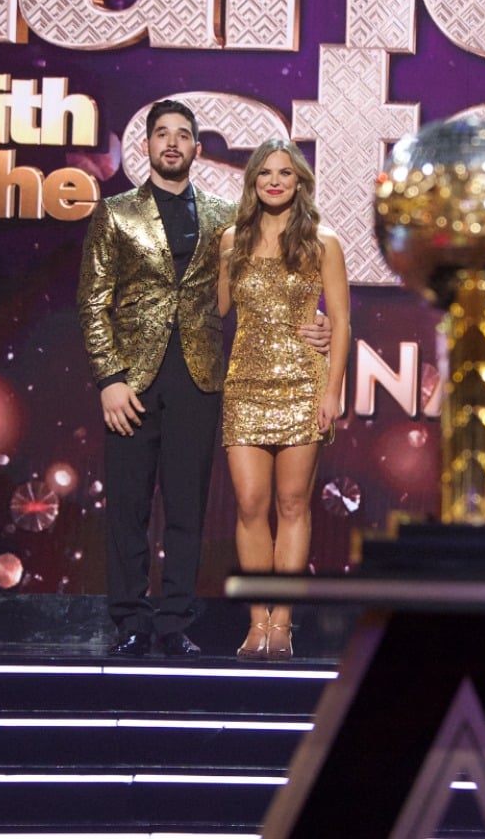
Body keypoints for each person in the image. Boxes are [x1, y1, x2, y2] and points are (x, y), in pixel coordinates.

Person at [78, 101, 330, 659]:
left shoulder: (225, 219)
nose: (171, 143)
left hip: (200, 376)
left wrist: (323, 321)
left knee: (188, 507)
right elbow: (92, 302)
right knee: (128, 506)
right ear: (146, 145)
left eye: (182, 135)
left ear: (197, 148)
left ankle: (174, 623)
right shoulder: (115, 213)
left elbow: (275, 279)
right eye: (161, 134)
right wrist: (109, 378)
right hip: (131, 382)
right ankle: (130, 622)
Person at [214, 139, 350, 662]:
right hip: (245, 384)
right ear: (253, 180)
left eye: (285, 173)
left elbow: (342, 322)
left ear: (300, 182)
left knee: (293, 504)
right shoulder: (232, 239)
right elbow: (216, 309)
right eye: (265, 173)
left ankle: (282, 624)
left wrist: (332, 390)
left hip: (302, 384)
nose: (275, 181)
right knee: (251, 504)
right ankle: (256, 621)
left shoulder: (322, 241)